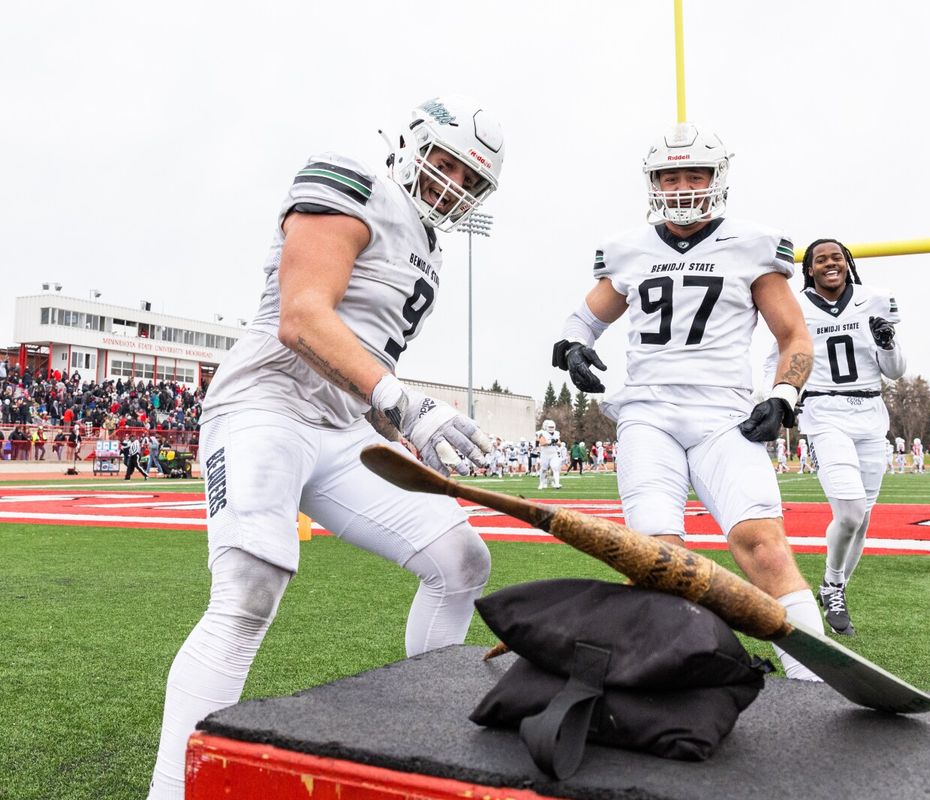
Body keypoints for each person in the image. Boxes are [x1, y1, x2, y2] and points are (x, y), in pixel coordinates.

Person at [147, 95, 504, 800]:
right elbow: (302, 316)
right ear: (412, 144)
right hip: (266, 405)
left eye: (472, 182)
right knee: (250, 586)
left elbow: (363, 354)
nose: (454, 188)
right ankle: (170, 792)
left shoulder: (431, 249)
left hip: (341, 427)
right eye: (447, 166)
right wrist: (406, 400)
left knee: (461, 560)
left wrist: (403, 430)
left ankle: (431, 747)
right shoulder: (353, 180)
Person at [552, 122, 822, 679]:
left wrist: (784, 395)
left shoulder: (752, 243)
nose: (680, 186)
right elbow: (584, 317)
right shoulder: (628, 248)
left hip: (725, 415)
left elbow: (793, 334)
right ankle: (684, 671)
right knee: (658, 559)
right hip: (647, 414)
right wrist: (574, 346)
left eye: (692, 174)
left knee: (763, 546)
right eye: (668, 176)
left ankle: (814, 678)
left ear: (716, 177)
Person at [775, 239, 905, 636]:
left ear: (847, 263)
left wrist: (888, 342)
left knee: (862, 521)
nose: (830, 263)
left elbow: (895, 371)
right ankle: (833, 584)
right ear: (809, 269)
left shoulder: (875, 300)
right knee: (849, 512)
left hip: (870, 413)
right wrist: (780, 398)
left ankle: (835, 587)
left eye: (837, 257)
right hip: (824, 412)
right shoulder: (794, 306)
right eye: (821, 260)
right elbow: (778, 356)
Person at [536, 419, 563, 490]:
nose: (551, 429)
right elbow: (542, 443)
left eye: (552, 427)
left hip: (553, 454)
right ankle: (541, 483)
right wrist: (550, 441)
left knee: (555, 468)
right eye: (550, 427)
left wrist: (556, 442)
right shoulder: (542, 433)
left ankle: (557, 483)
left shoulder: (557, 433)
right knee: (544, 469)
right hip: (545, 454)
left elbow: (559, 444)